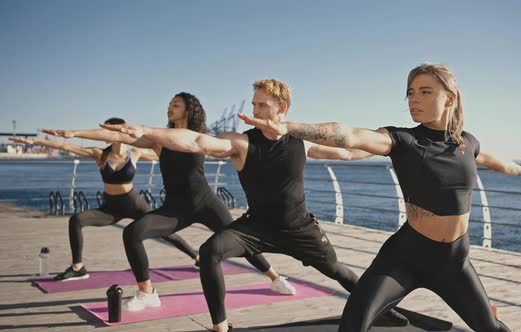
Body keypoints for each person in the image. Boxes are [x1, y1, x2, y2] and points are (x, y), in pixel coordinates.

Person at [240, 64, 521, 332]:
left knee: (489, 327)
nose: (414, 99)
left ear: (449, 98)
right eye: (411, 92)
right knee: (353, 323)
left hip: (453, 261)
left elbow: (493, 161)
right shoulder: (403, 139)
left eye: (425, 92)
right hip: (405, 256)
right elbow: (348, 135)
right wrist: (289, 128)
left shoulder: (467, 143)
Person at [99, 79, 406, 332]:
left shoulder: (302, 141)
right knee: (210, 252)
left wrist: (393, 148)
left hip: (299, 228)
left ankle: (382, 310)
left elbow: (348, 153)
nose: (254, 110)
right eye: (254, 104)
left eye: (262, 105)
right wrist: (149, 131)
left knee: (338, 270)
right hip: (255, 227)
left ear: (281, 108)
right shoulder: (243, 142)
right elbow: (198, 142)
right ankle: (222, 328)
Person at [42, 93, 293, 312]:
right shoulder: (158, 140)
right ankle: (147, 293)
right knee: (132, 233)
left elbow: (241, 149)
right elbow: (117, 135)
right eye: (170, 104)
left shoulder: (200, 136)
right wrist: (75, 133)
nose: (170, 107)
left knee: (243, 242)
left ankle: (274, 277)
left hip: (206, 203)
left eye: (176, 104)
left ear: (189, 109)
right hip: (175, 208)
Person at [11, 118, 199, 281]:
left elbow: (163, 155)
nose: (104, 135)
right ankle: (78, 268)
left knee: (164, 230)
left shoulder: (135, 153)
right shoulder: (100, 154)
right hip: (110, 207)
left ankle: (197, 257)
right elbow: (66, 146)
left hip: (134, 204)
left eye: (109, 131)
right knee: (76, 220)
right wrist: (33, 141)